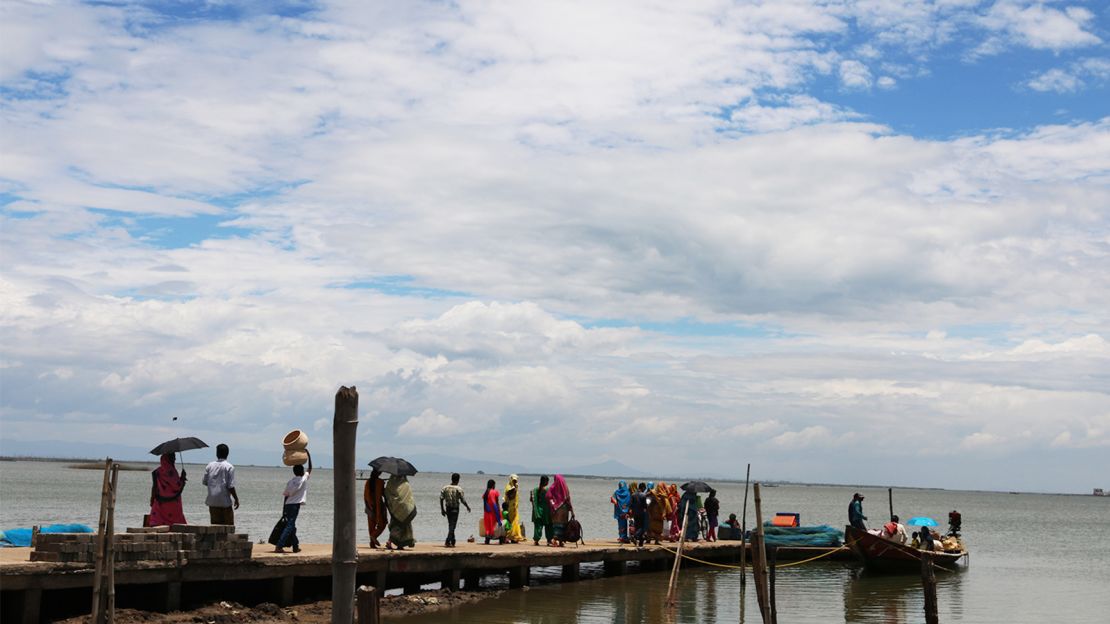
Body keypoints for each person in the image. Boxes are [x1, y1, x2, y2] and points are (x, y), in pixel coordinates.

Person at [274, 450, 312, 553]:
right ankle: (279, 545)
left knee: (291, 525)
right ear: (301, 472)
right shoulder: (303, 479)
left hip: (288, 505)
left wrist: (284, 508)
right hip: (295, 506)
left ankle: (295, 546)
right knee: (290, 525)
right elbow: (310, 468)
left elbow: (286, 496)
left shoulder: (291, 481)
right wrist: (309, 456)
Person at [202, 444, 239, 526]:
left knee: (215, 529)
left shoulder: (209, 466)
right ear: (227, 454)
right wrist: (236, 499)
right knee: (228, 528)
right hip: (224, 502)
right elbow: (231, 486)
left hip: (212, 502)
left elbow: (205, 482)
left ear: (217, 453)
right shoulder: (229, 467)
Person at [148, 453, 187, 526]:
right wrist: (182, 479)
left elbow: (154, 487)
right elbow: (178, 488)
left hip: (160, 503)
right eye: (173, 457)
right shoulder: (173, 472)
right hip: (174, 504)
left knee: (157, 521)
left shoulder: (157, 472)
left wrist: (152, 499)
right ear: (169, 459)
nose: (175, 459)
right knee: (176, 523)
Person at [385, 474, 417, 550]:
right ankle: (391, 542)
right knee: (403, 525)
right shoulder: (405, 484)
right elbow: (409, 496)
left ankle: (399, 544)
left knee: (396, 525)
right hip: (406, 508)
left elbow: (386, 494)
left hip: (395, 508)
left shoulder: (390, 483)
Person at [439, 473, 471, 548]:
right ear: (458, 480)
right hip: (455, 509)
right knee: (452, 525)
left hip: (448, 508)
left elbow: (441, 498)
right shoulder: (459, 489)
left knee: (451, 524)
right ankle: (448, 540)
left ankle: (453, 540)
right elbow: (463, 500)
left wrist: (442, 509)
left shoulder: (445, 488)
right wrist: (467, 506)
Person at [364, 468, 388, 548]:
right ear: (379, 473)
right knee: (383, 523)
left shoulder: (368, 482)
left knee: (371, 525)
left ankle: (372, 543)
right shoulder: (380, 482)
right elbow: (384, 494)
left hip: (369, 507)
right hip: (378, 507)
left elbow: (365, 495)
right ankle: (374, 536)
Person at [547, 474, 573, 547]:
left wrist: (553, 504)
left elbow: (548, 496)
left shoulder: (553, 487)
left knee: (556, 526)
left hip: (556, 511)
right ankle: (561, 542)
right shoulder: (565, 488)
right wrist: (572, 511)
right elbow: (568, 500)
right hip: (565, 511)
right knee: (563, 526)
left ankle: (555, 541)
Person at [530, 475, 553, 546]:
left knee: (538, 526)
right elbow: (551, 499)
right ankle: (549, 540)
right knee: (549, 526)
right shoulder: (547, 490)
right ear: (546, 482)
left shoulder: (535, 490)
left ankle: (536, 541)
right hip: (546, 511)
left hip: (538, 511)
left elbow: (531, 500)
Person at [504, 474, 525, 543]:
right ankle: (508, 536)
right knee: (510, 522)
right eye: (513, 480)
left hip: (514, 508)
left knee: (515, 522)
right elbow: (511, 497)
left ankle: (513, 537)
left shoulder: (514, 487)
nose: (515, 482)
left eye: (516, 480)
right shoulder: (509, 487)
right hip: (510, 507)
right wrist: (515, 489)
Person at [481, 479, 502, 545]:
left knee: (488, 527)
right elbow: (496, 503)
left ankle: (487, 539)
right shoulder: (495, 492)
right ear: (493, 485)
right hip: (493, 512)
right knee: (497, 525)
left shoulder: (485, 493)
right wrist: (498, 512)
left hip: (486, 512)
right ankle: (500, 539)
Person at [629, 482, 648, 547]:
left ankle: (640, 542)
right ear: (642, 488)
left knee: (637, 526)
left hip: (635, 513)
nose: (644, 489)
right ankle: (635, 536)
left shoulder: (633, 494)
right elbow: (645, 506)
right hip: (641, 513)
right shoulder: (643, 495)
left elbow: (631, 505)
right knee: (642, 527)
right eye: (644, 488)